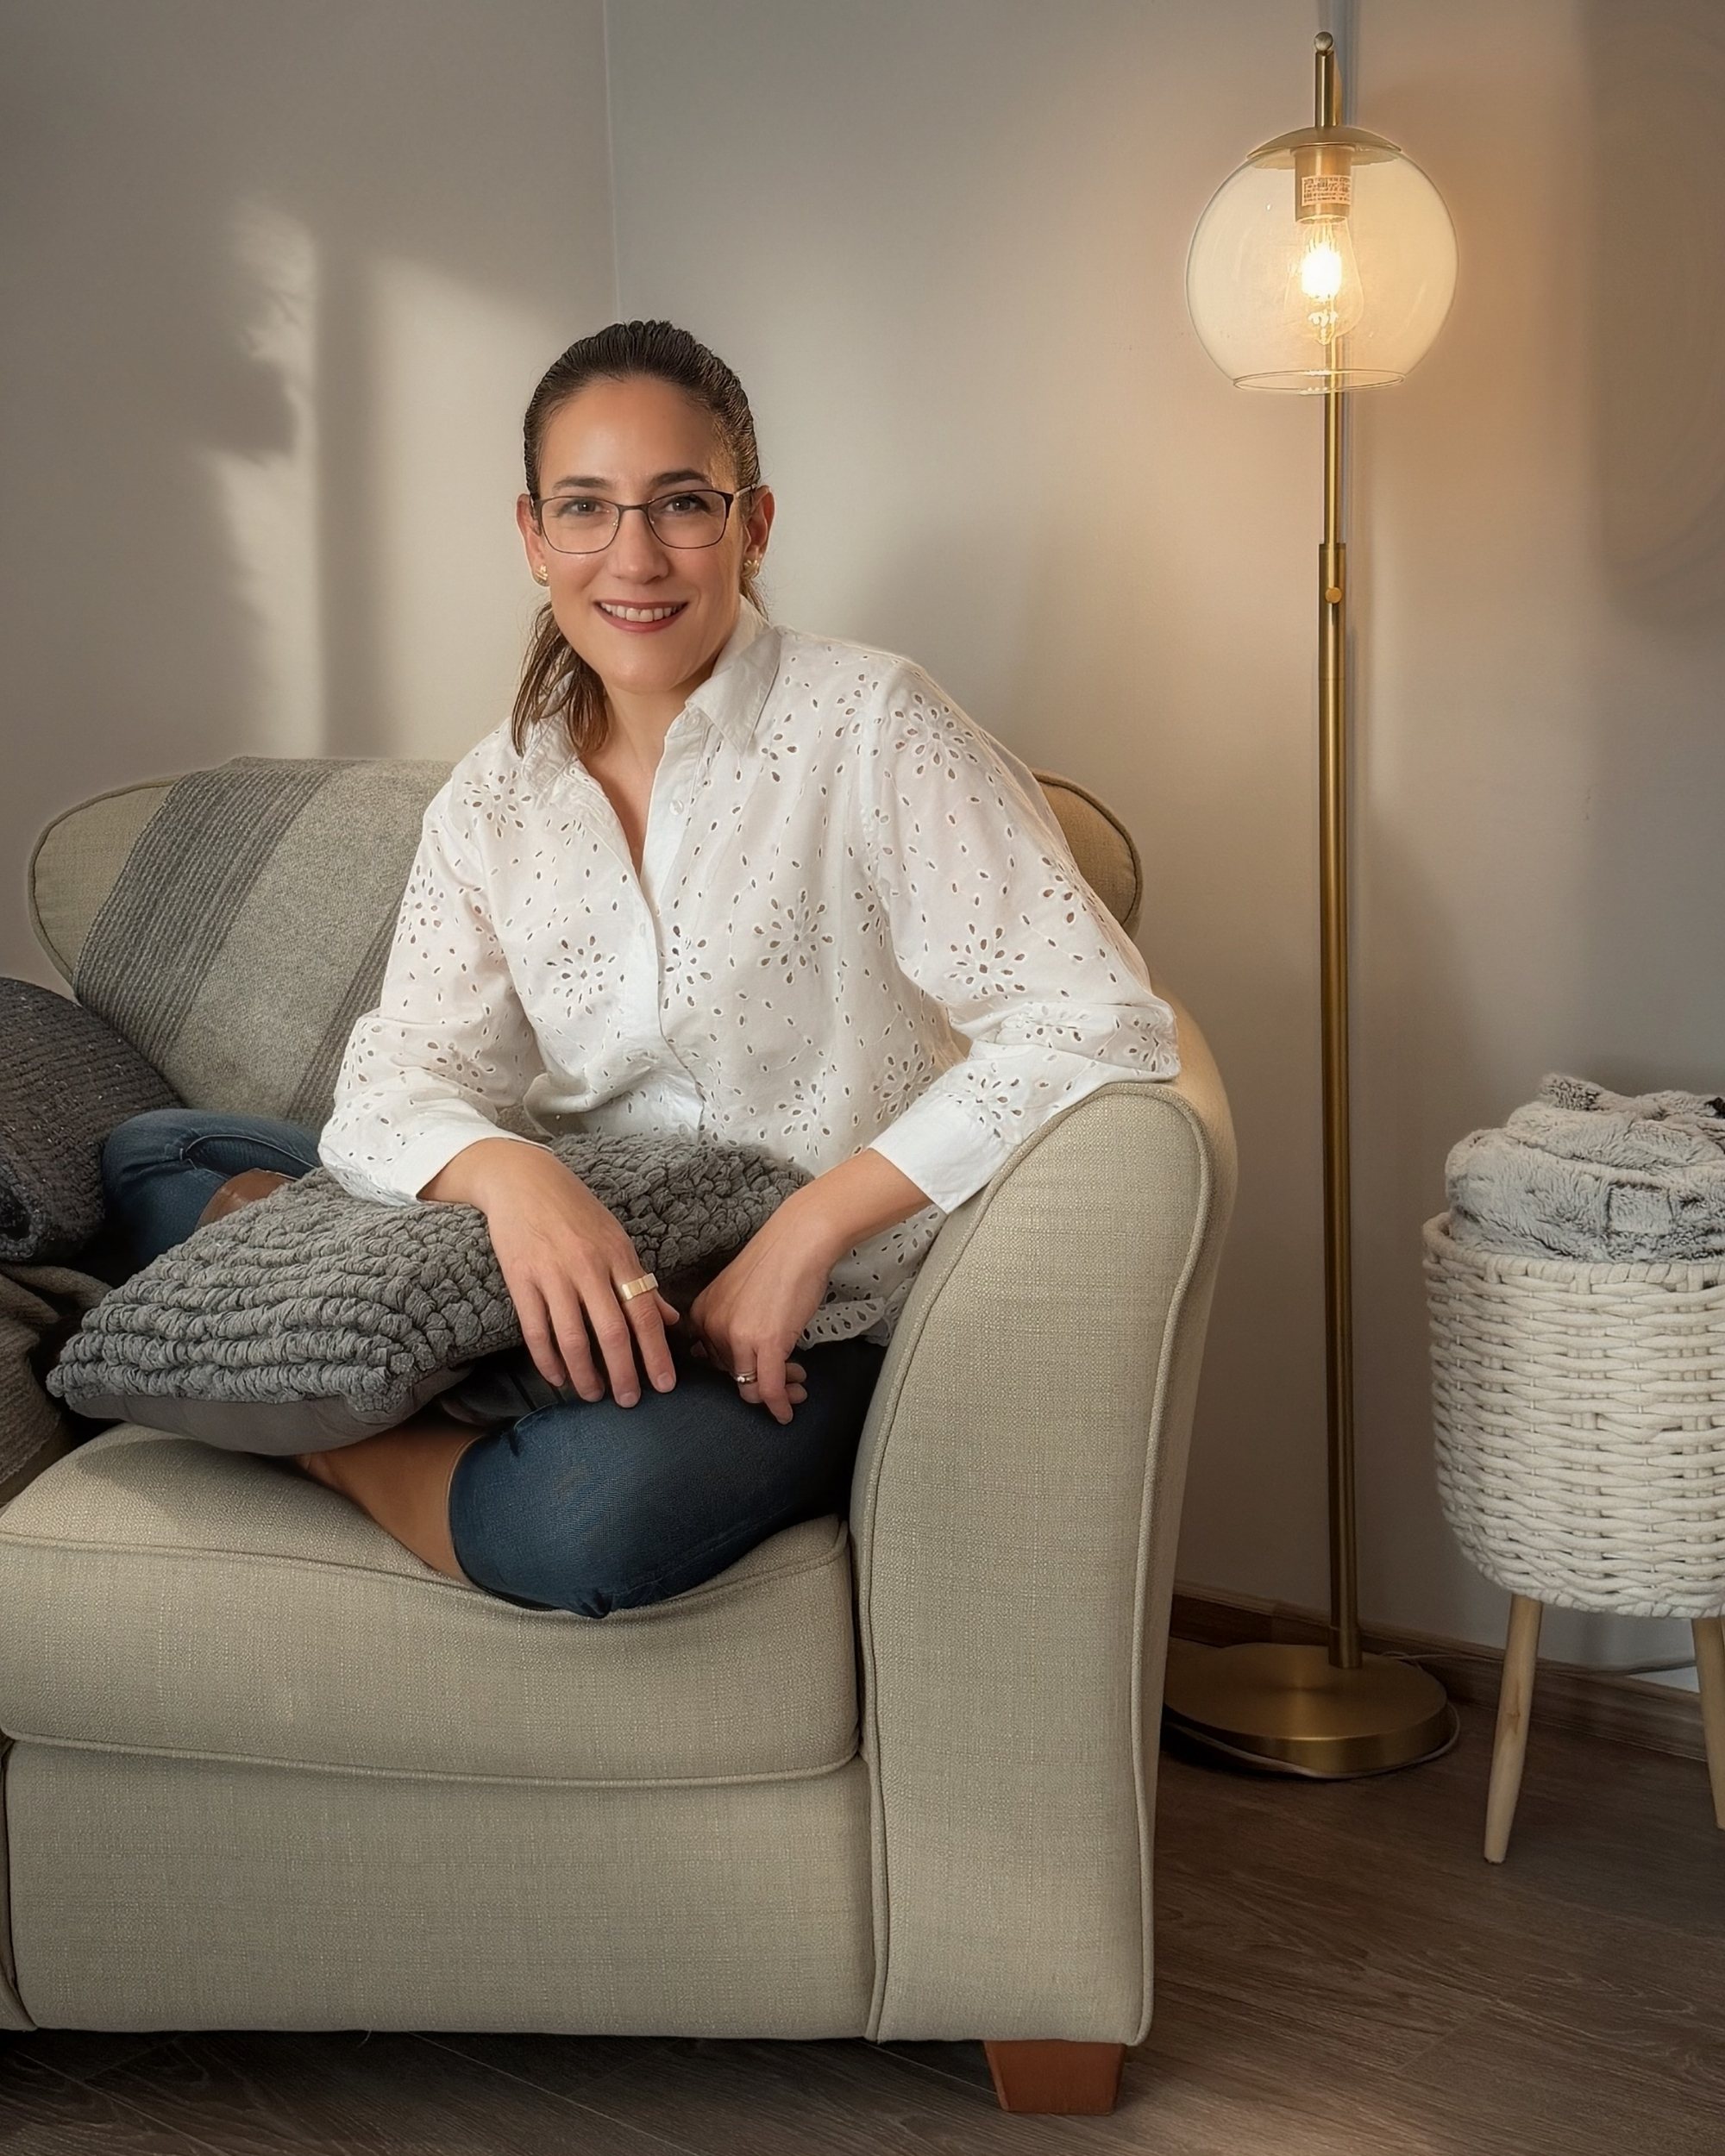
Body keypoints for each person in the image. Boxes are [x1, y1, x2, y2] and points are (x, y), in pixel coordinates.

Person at [102, 319, 1179, 1614]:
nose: (634, 557)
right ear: (532, 533)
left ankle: (323, 1428)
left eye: (681, 504)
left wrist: (806, 1227)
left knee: (585, 1522)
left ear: (754, 523)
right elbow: (397, 1075)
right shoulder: (491, 797)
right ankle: (309, 1309)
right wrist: (514, 1180)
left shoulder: (870, 724)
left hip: (792, 1318)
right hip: (543, 1255)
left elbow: (1094, 1018)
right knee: (148, 1157)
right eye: (587, 508)